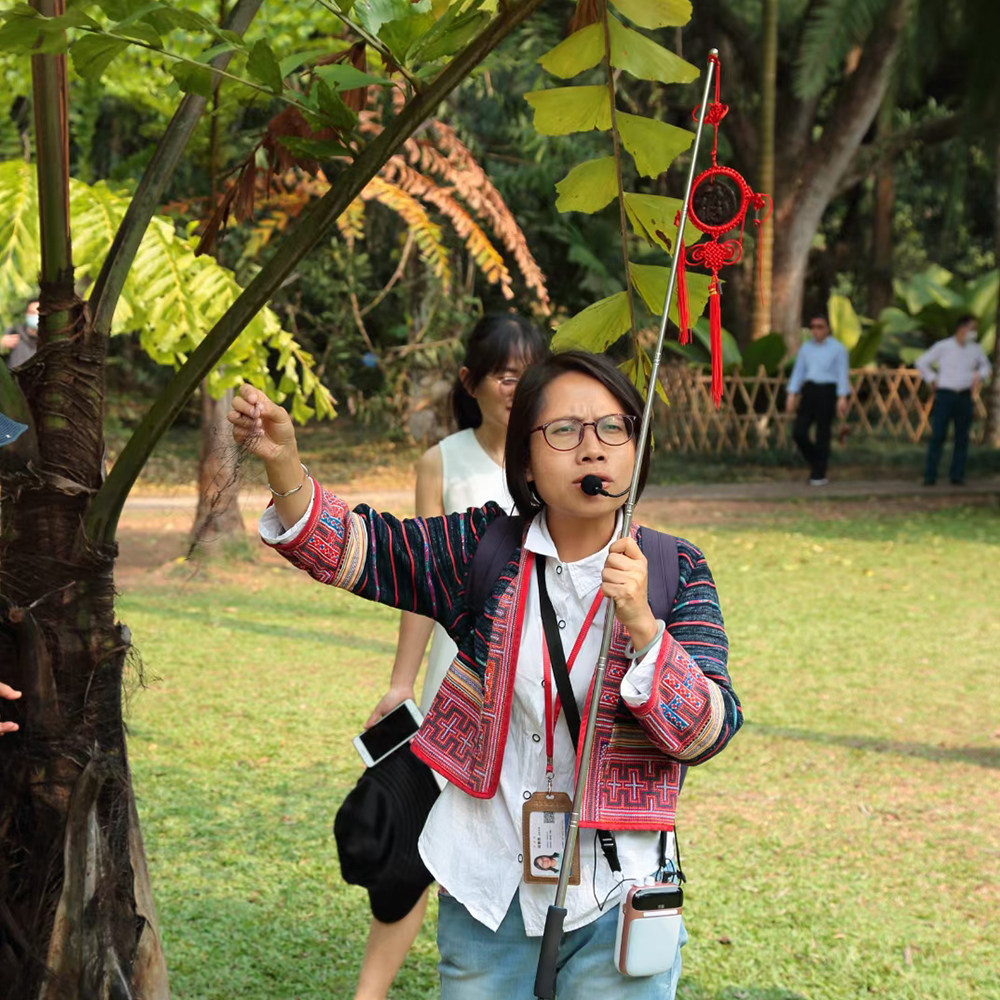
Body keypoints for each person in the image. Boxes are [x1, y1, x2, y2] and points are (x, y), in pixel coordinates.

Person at [229, 350, 742, 999]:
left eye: (613, 428)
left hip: (621, 894)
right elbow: (362, 550)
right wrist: (283, 463)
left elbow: (707, 732)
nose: (592, 448)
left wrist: (643, 624)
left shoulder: (674, 570)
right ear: (525, 460)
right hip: (487, 889)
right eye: (564, 430)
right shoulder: (484, 551)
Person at [354, 313, 548, 1000]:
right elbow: (419, 579)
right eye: (504, 374)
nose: (516, 388)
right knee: (418, 839)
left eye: (529, 374)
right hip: (457, 682)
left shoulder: (557, 458)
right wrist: (400, 683)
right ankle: (369, 993)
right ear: (472, 383)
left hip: (540, 685)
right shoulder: (441, 461)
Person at [915, 314, 992, 486]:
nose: (974, 332)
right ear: (961, 328)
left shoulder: (975, 349)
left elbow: (986, 366)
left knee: (962, 437)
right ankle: (930, 475)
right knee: (938, 435)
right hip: (945, 394)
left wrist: (979, 375)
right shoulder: (943, 346)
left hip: (964, 396)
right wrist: (932, 378)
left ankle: (957, 475)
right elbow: (922, 362)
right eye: (972, 328)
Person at [785, 314, 850, 485]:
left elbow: (842, 373)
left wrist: (842, 397)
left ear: (828, 329)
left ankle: (819, 473)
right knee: (799, 431)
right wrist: (792, 394)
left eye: (820, 327)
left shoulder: (838, 349)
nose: (816, 331)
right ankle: (817, 461)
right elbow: (798, 371)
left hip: (827, 391)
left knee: (823, 432)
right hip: (809, 390)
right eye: (813, 327)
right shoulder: (806, 348)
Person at [1, 300, 40, 368]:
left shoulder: (52, 338)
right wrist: (1, 345)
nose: (36, 316)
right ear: (26, 314)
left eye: (39, 313)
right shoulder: (13, 333)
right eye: (32, 313)